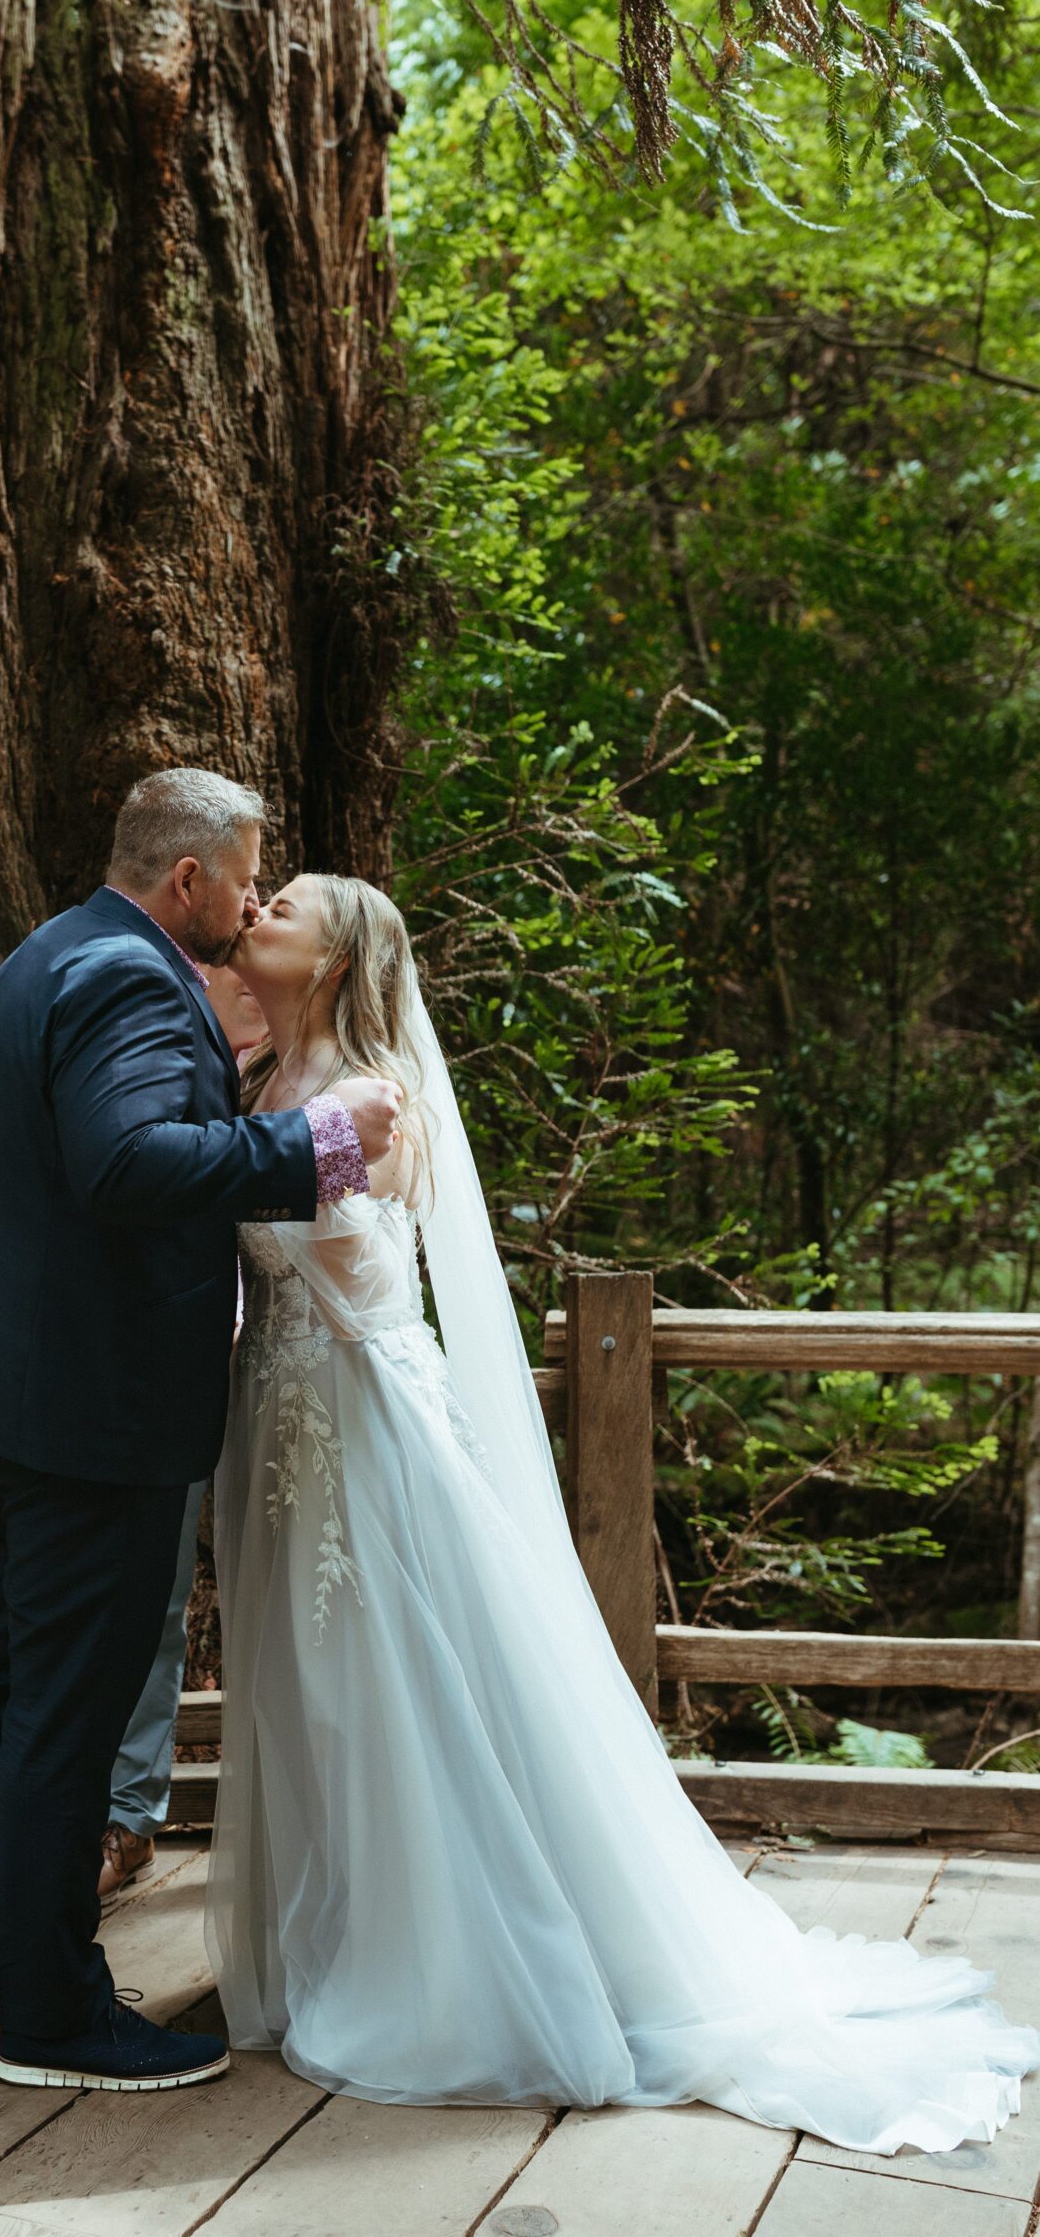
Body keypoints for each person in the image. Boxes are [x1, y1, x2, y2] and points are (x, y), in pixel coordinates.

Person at [209, 870, 1040, 2154]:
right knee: (307, 1684)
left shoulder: (375, 1102)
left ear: (334, 959)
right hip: (283, 1425)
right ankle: (333, 1933)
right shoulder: (265, 1080)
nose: (263, 906)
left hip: (366, 1431)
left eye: (292, 903)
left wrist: (274, 1207)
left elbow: (366, 1270)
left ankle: (441, 1968)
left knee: (383, 1684)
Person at [0, 773, 401, 2094]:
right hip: (86, 1411)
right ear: (188, 881)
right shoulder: (134, 981)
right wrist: (319, 1142)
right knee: (64, 1707)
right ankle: (54, 2014)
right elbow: (123, 1162)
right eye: (247, 872)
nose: (256, 895)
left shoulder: (57, 949)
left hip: (15, 1388)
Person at [97, 966, 267, 1903]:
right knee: (149, 1600)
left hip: (294, 1388)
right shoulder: (168, 1070)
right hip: (165, 1389)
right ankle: (124, 1818)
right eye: (222, 969)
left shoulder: (322, 1092)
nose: (236, 979)